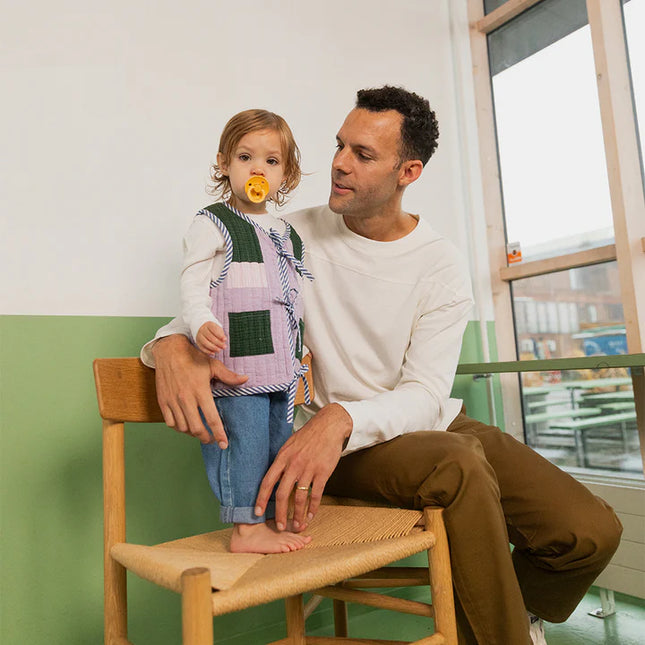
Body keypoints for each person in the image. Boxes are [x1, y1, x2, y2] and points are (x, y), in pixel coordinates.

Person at [141, 86, 622, 644]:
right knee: (456, 463)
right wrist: (168, 348)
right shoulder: (284, 234)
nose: (340, 164)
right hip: (332, 452)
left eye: (363, 155)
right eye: (340, 146)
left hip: (408, 428)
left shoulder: (440, 264)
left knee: (589, 531)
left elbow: (425, 394)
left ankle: (512, 614)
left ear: (408, 171)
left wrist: (343, 417)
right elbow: (209, 305)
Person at [176, 108, 314, 554]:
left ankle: (273, 518)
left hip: (281, 364)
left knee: (280, 445)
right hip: (237, 363)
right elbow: (193, 281)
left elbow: (297, 294)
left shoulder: (287, 233)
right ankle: (245, 528)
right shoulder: (213, 222)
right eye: (245, 157)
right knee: (245, 443)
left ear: (285, 173)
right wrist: (200, 324)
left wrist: (303, 350)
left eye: (271, 161)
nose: (258, 169)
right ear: (224, 163)